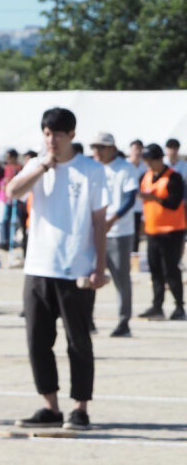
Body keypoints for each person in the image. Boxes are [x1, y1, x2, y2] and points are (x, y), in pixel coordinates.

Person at [6, 107, 108, 431]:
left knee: (78, 341)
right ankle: (50, 406)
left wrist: (100, 266)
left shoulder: (91, 170)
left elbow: (99, 221)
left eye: (58, 134)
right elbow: (12, 192)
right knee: (37, 339)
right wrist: (42, 168)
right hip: (38, 265)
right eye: (47, 134)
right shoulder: (36, 164)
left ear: (72, 135)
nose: (52, 140)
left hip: (76, 267)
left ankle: (81, 408)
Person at [90, 132, 139, 337]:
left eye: (101, 147)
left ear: (111, 148)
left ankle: (123, 321)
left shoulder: (125, 168)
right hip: (94, 229)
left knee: (121, 277)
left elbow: (130, 199)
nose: (97, 152)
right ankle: (86, 318)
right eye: (95, 148)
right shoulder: (92, 168)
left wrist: (112, 219)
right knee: (89, 275)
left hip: (118, 232)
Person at [137, 143, 186, 320]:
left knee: (171, 270)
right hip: (152, 231)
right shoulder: (146, 176)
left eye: (151, 161)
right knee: (155, 270)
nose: (148, 165)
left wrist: (155, 198)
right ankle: (157, 306)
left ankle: (179, 306)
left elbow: (174, 203)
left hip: (172, 232)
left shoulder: (174, 177)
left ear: (159, 159)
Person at [0, 148, 23, 250]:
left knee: (17, 220)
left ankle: (15, 240)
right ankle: (6, 240)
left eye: (9, 157)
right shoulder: (7, 168)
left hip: (16, 198)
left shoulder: (19, 168)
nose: (7, 159)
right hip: (7, 199)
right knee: (5, 219)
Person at [127, 139, 148, 252]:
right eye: (135, 148)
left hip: (139, 206)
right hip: (125, 205)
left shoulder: (146, 167)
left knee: (136, 234)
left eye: (140, 149)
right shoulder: (124, 165)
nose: (138, 152)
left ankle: (134, 257)